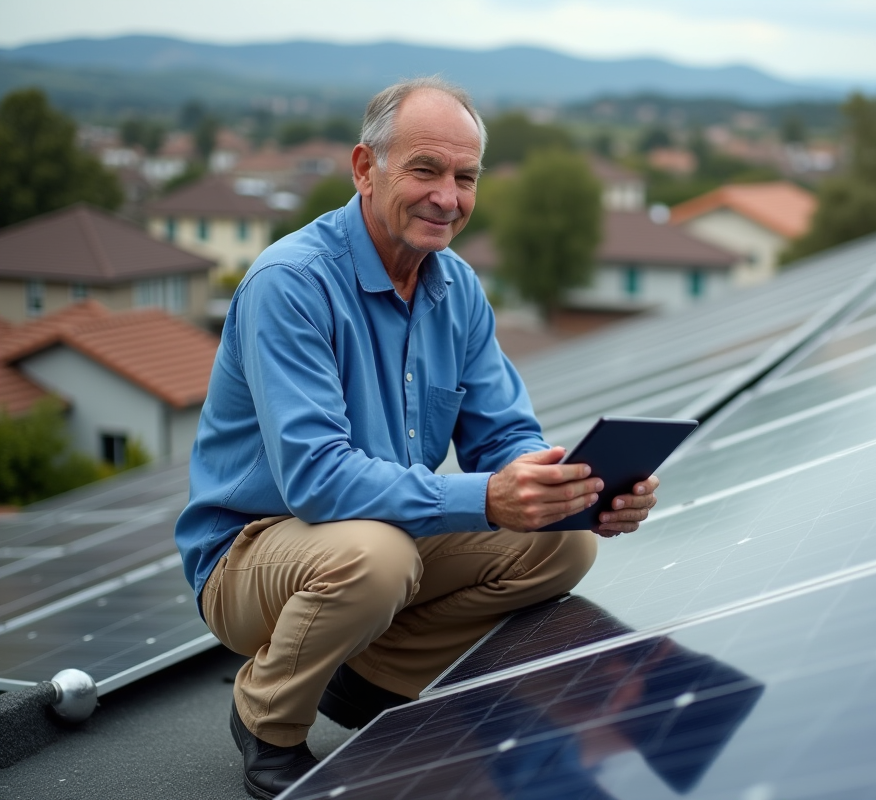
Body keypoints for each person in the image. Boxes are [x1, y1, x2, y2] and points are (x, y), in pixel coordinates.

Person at [173, 77, 660, 799]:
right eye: (425, 170)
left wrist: (570, 488)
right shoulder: (291, 283)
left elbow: (504, 434)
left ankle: (371, 677)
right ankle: (267, 718)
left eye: (465, 178)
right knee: (376, 558)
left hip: (380, 537)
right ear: (365, 169)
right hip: (252, 552)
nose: (447, 197)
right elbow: (317, 480)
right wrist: (489, 499)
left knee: (563, 542)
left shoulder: (456, 288)